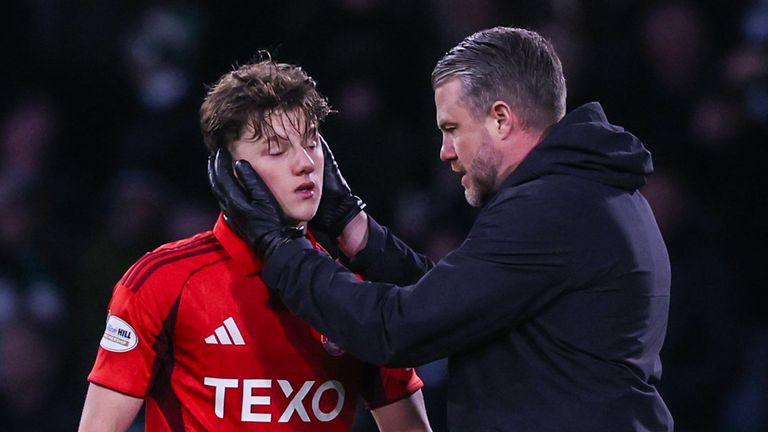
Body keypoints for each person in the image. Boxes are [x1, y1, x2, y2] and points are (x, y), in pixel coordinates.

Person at [210, 27, 674, 431]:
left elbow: (398, 329)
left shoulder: (551, 209)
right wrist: (355, 229)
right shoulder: (582, 192)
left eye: (452, 128)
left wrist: (280, 246)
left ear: (500, 118)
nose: (445, 151)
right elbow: (457, 302)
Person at [78, 57, 432, 432]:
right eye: (276, 150)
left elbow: (409, 428)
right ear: (231, 173)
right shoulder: (161, 282)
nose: (305, 164)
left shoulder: (358, 289)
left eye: (311, 143)